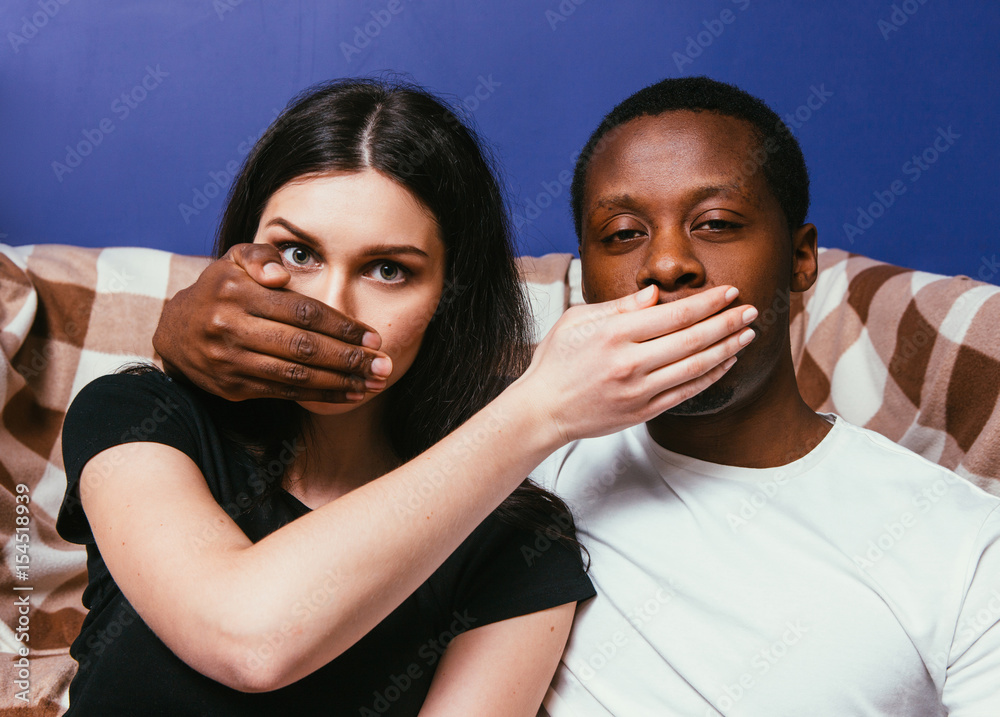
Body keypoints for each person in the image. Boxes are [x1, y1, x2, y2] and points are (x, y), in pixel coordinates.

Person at [155, 76, 1000, 716]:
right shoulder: (497, 430)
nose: (667, 264)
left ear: (803, 258)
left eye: (715, 222)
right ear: (581, 282)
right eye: (622, 235)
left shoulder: (960, 546)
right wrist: (180, 330)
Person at [56, 78, 757, 716]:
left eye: (389, 269)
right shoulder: (141, 418)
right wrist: (536, 406)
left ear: (448, 300)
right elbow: (250, 638)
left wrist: (539, 407)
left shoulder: (515, 546)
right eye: (298, 254)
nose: (329, 308)